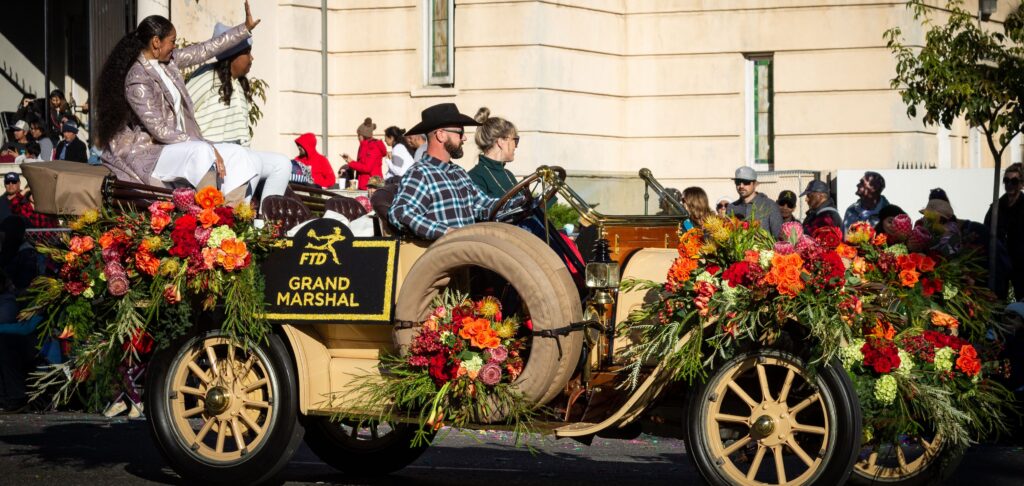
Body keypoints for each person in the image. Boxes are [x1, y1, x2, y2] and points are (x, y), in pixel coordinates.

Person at [94, 3, 291, 206]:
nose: (175, 46)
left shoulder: (168, 63)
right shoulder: (137, 78)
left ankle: (233, 218)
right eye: (172, 41)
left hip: (181, 147)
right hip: (152, 152)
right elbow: (160, 131)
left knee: (239, 155)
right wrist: (204, 145)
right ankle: (209, 215)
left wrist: (244, 29)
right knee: (202, 152)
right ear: (156, 42)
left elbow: (205, 49)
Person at [389, 103, 523, 240]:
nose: (464, 138)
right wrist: (448, 233)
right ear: (441, 135)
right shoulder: (420, 173)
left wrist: (523, 202)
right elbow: (400, 213)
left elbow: (484, 205)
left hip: (468, 250)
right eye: (460, 133)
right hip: (445, 255)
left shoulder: (459, 173)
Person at [186, 22, 256, 146]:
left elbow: (243, 136)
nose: (251, 58)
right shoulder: (207, 76)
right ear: (233, 55)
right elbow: (182, 110)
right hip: (208, 152)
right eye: (247, 53)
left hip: (238, 155)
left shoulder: (238, 84)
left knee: (280, 162)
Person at [986, 163, 1024, 299]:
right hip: (1000, 260)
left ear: (1021, 184)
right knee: (998, 298)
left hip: (1020, 261)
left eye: (1014, 181)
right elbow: (987, 228)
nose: (1009, 184)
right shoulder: (996, 207)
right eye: (1006, 181)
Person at [467, 108, 520, 199]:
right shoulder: (475, 177)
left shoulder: (508, 174)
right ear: (501, 142)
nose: (516, 146)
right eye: (515, 140)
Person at [728, 166, 782, 238]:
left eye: (746, 182)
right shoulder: (731, 207)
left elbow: (778, 238)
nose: (741, 186)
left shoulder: (770, 205)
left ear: (755, 184)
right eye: (738, 182)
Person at [340, 118, 386, 190]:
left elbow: (367, 168)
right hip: (366, 184)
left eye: (358, 135)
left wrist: (351, 162)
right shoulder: (365, 146)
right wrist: (349, 160)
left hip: (372, 186)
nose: (358, 137)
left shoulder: (373, 147)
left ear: (362, 135)